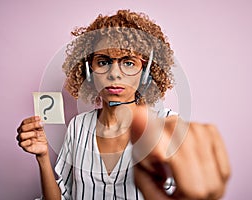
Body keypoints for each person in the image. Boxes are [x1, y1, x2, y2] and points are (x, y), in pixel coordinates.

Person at [17, 10, 230, 200]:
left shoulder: (167, 127)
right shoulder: (78, 126)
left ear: (146, 73)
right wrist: (43, 157)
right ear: (89, 71)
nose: (114, 73)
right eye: (103, 61)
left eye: (128, 62)